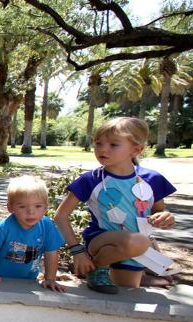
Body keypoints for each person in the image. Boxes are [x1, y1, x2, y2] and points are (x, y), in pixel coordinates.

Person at [54, 117, 176, 294]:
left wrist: (165, 217)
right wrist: (77, 251)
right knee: (140, 240)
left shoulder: (152, 179)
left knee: (123, 296)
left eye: (113, 144)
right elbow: (60, 216)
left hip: (134, 251)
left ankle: (140, 276)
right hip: (101, 243)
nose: (103, 149)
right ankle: (98, 267)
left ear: (136, 149)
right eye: (98, 143)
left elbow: (158, 210)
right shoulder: (91, 180)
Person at [0, 176, 66, 292]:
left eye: (38, 206)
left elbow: (51, 252)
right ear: (10, 207)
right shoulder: (4, 227)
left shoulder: (47, 225)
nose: (31, 211)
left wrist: (50, 279)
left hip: (29, 279)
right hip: (1, 278)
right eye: (22, 206)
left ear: (46, 207)